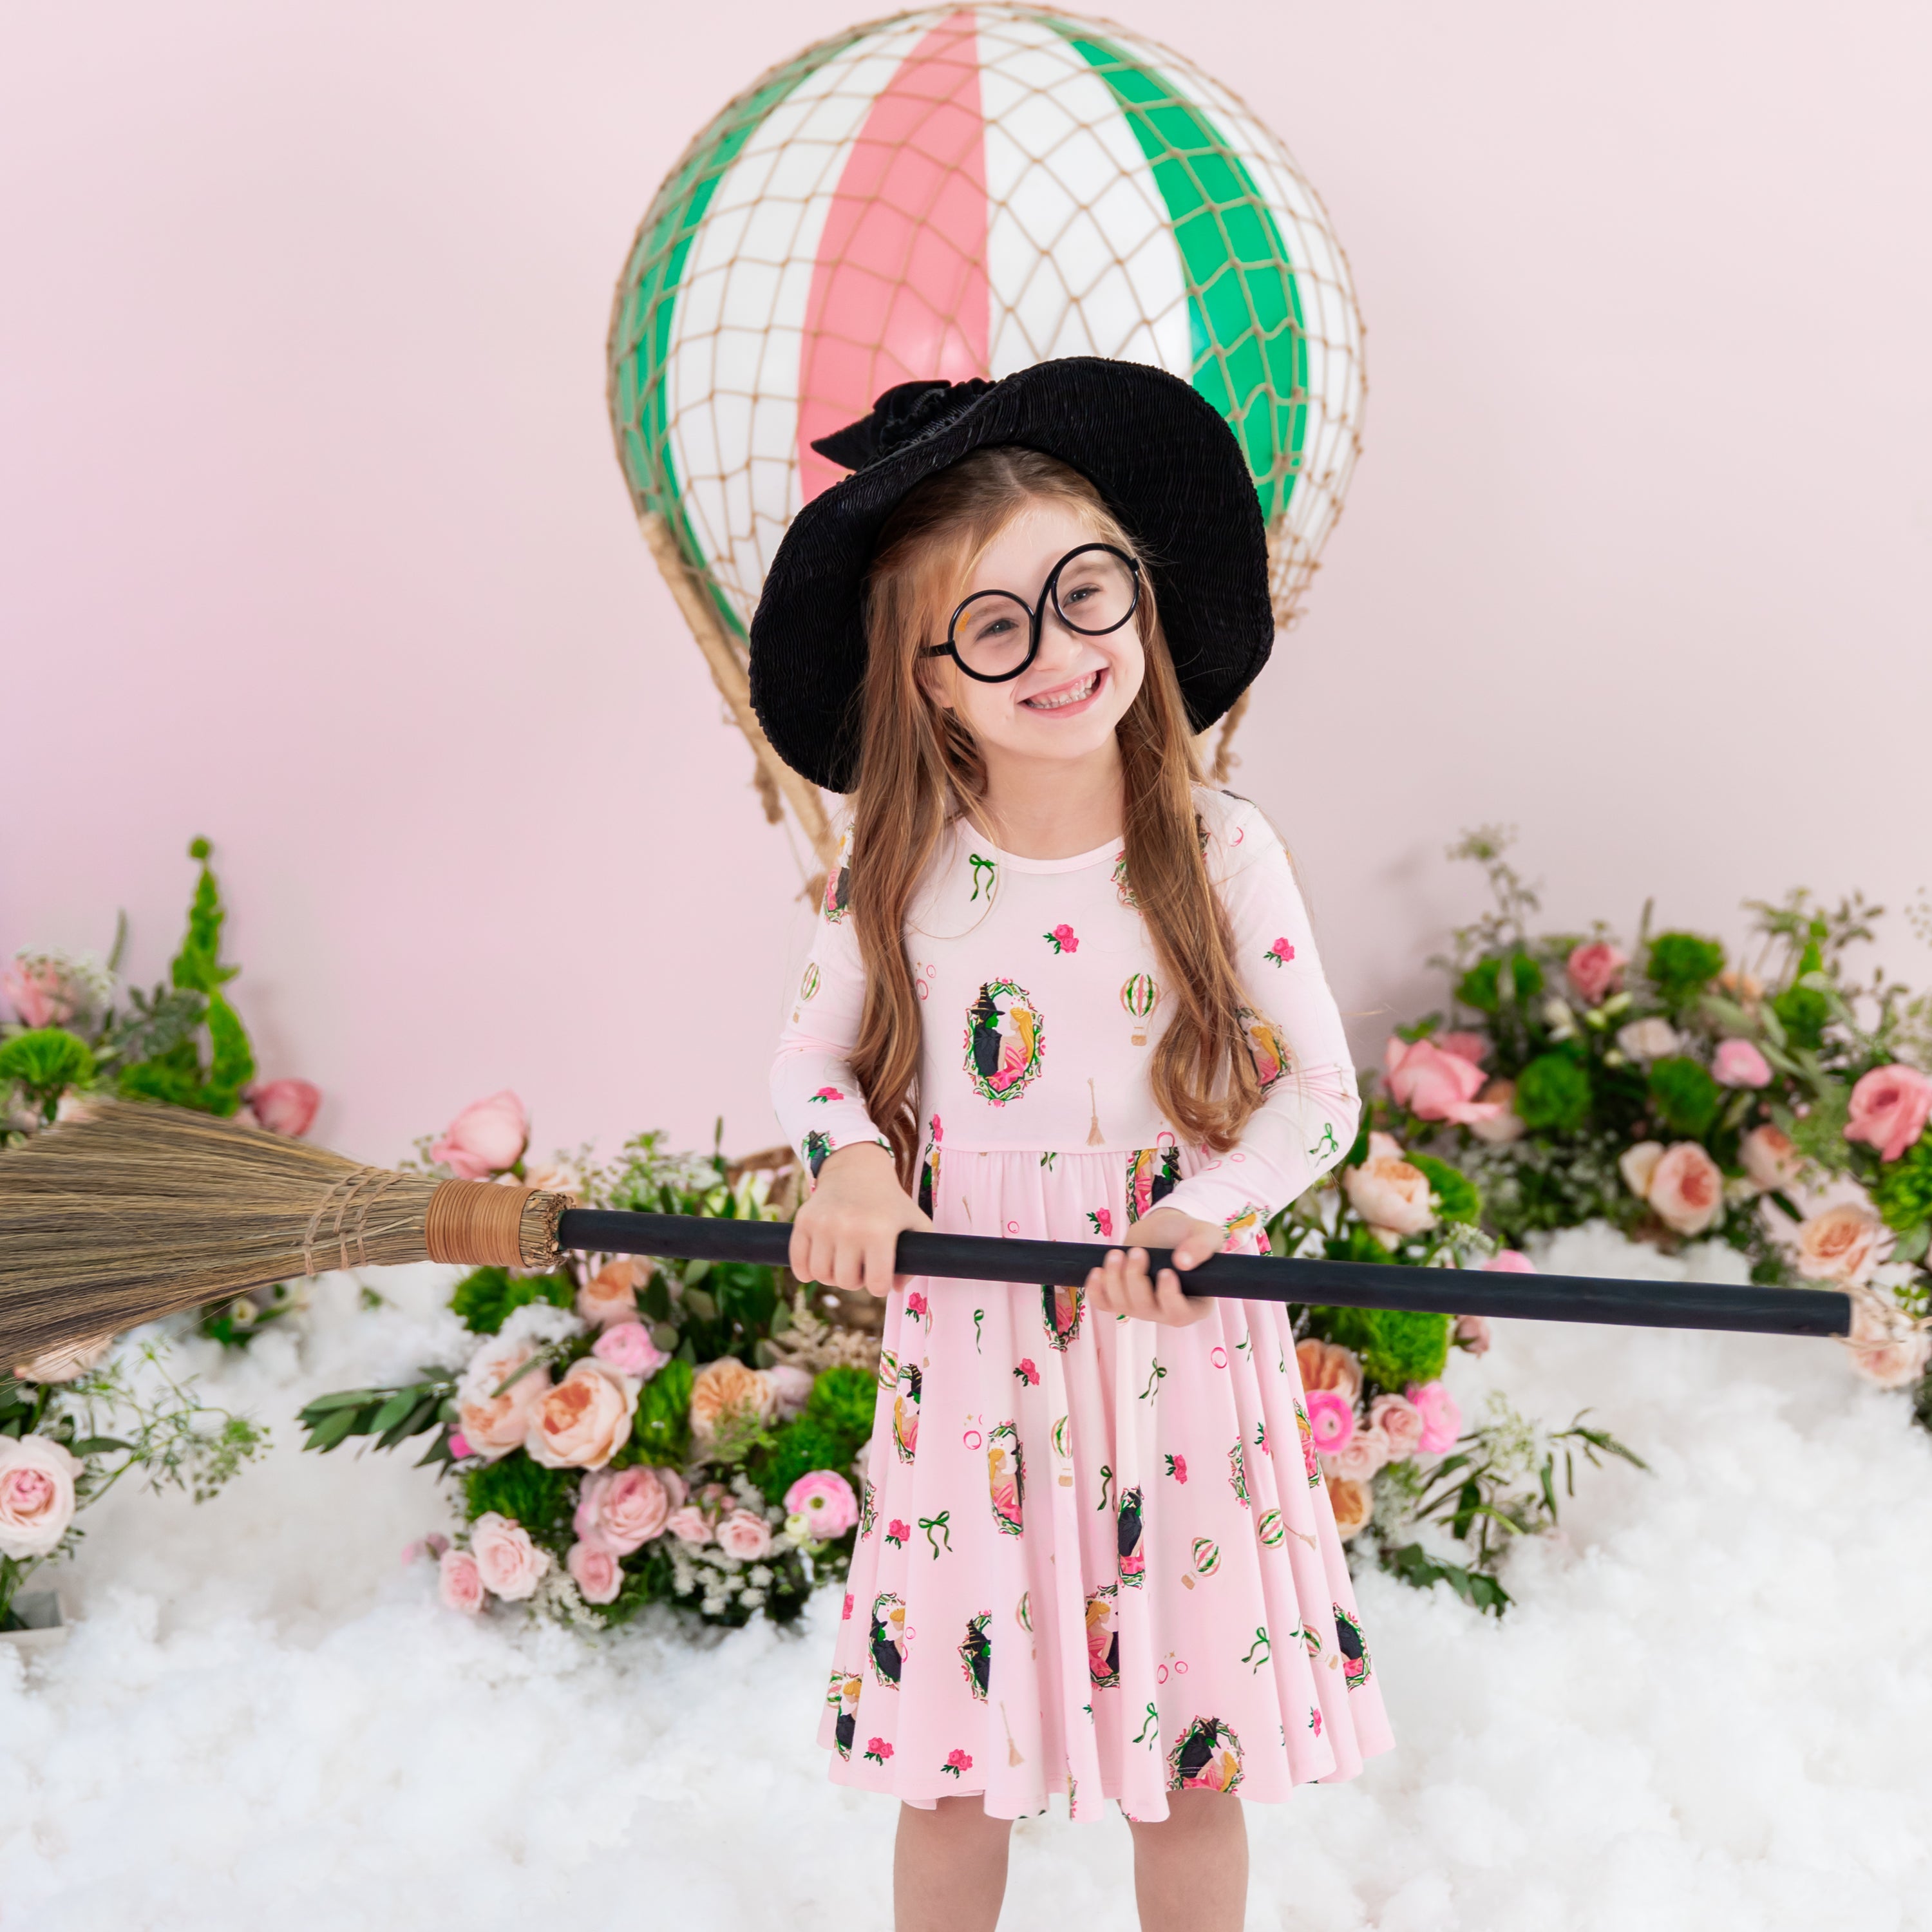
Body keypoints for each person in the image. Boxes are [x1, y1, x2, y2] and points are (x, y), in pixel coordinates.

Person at [753, 359, 1392, 1932]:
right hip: (975, 1338)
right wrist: (848, 1163)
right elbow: (809, 1058)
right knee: (954, 1768)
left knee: (1190, 1756)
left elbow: (1320, 1094)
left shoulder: (1221, 847)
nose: (1059, 652)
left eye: (1084, 593)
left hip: (1167, 1328)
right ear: (931, 681)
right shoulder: (900, 871)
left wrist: (1212, 1210)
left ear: (1141, 602)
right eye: (995, 626)